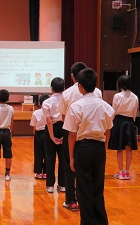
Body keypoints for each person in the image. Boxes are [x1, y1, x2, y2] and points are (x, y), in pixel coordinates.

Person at [63, 68, 114, 225]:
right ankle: (101, 221)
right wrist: (103, 149)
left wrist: (71, 157)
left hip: (82, 148)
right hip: (99, 149)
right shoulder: (106, 106)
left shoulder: (76, 106)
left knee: (84, 189)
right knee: (98, 188)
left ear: (80, 86)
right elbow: (108, 131)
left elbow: (72, 134)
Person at [58, 62, 102, 211]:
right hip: (93, 133)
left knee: (70, 165)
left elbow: (64, 117)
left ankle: (71, 201)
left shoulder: (67, 93)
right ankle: (87, 200)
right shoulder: (98, 92)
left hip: (72, 131)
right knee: (91, 171)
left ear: (72, 76)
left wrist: (72, 128)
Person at [108, 75, 139, 180]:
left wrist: (110, 122)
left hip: (119, 121)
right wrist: (132, 120)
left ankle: (121, 172)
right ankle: (127, 172)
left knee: (119, 148)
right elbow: (135, 112)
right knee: (129, 148)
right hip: (130, 122)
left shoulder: (118, 96)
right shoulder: (135, 96)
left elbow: (114, 110)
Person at [42, 77, 65, 193]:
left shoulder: (47, 102)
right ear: (63, 88)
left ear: (51, 89)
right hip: (64, 127)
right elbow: (66, 118)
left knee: (50, 158)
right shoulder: (67, 100)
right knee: (63, 158)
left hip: (51, 129)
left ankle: (50, 185)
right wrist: (65, 134)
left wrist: (51, 136)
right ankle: (62, 185)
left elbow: (49, 121)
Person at [30, 94, 49, 179]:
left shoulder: (36, 112)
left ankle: (38, 173)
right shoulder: (50, 111)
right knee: (48, 154)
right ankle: (46, 172)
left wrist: (35, 135)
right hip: (48, 133)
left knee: (38, 153)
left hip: (39, 133)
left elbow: (34, 126)